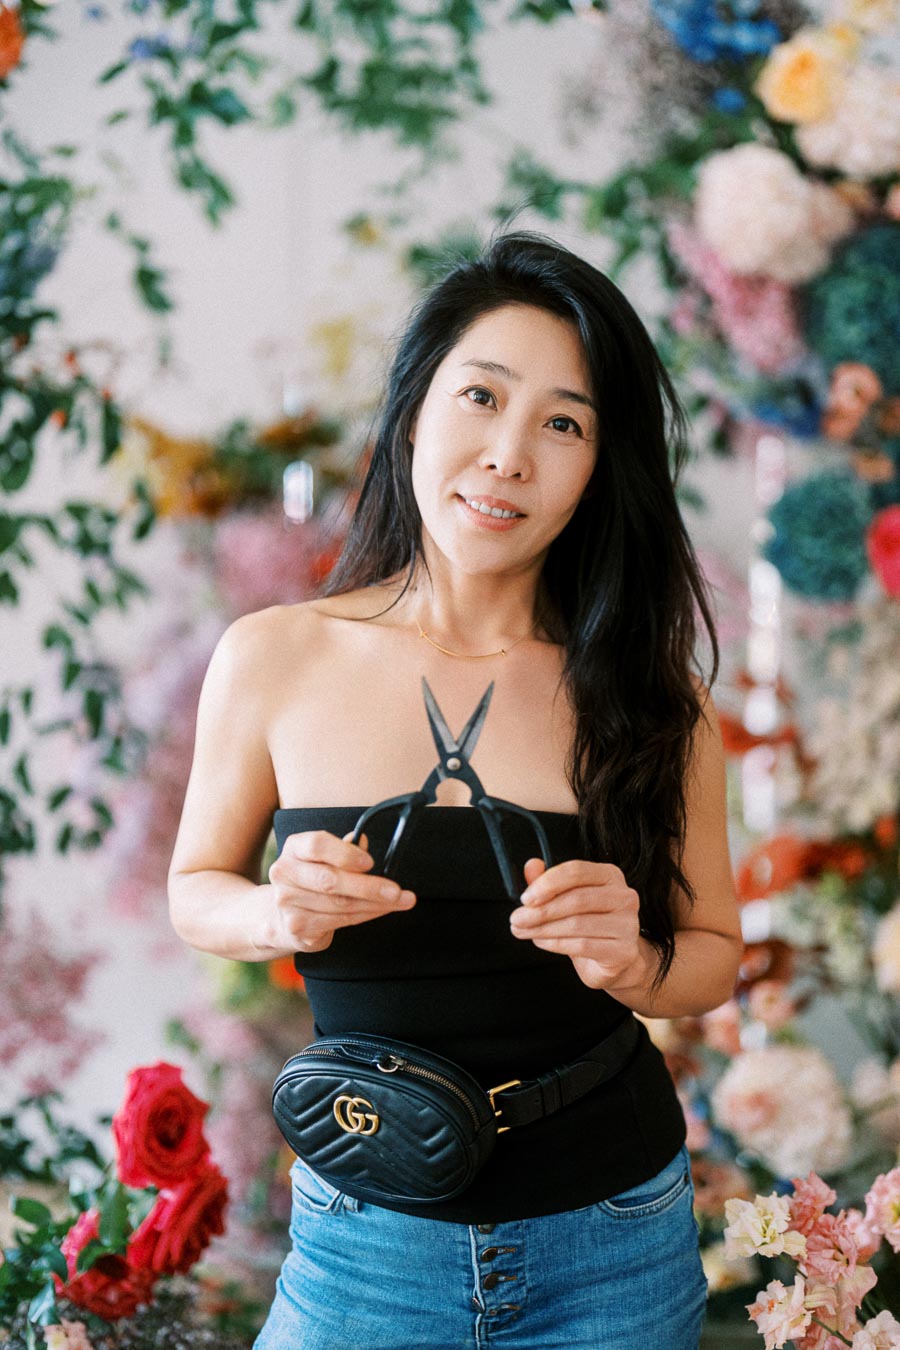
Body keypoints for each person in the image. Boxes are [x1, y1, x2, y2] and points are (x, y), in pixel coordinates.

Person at [167, 230, 743, 1349]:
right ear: (414, 412)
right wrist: (275, 912)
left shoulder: (657, 703)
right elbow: (196, 886)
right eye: (481, 397)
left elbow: (710, 952)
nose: (509, 455)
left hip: (615, 1238)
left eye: (562, 424)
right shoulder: (276, 656)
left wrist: (636, 961)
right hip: (363, 1243)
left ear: (598, 465)